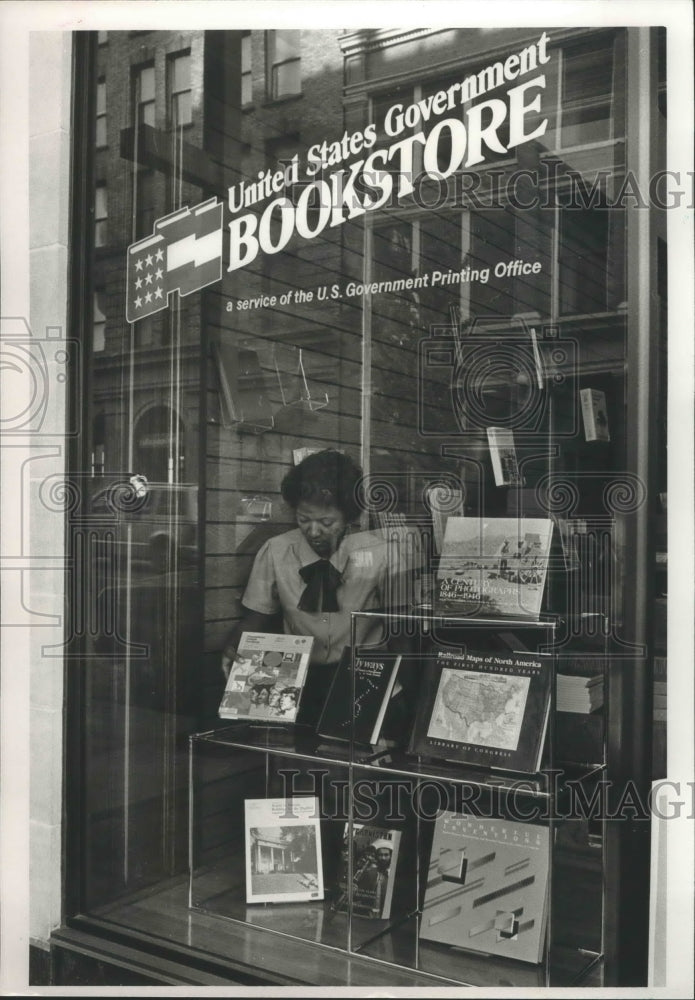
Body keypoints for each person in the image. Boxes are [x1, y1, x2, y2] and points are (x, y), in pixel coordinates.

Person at [221, 450, 393, 723]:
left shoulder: (380, 555)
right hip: (296, 680)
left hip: (361, 680)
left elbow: (402, 629)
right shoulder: (277, 551)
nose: (313, 531)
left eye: (327, 522)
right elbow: (257, 615)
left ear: (348, 516)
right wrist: (234, 647)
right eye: (304, 520)